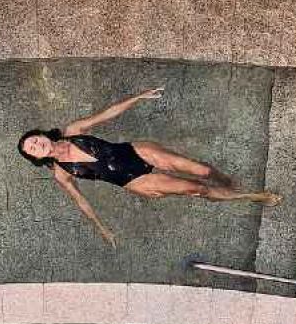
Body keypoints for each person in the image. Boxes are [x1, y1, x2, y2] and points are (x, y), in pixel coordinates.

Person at [17, 87, 281, 247]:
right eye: (31, 150)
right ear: (36, 158)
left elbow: (107, 113)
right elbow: (81, 202)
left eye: (34, 140)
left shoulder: (73, 130)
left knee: (202, 171)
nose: (36, 146)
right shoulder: (61, 173)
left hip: (136, 151)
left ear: (41, 134)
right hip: (132, 180)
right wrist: (102, 228)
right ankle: (252, 197)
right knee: (196, 189)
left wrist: (139, 97)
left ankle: (225, 180)